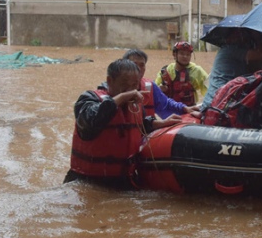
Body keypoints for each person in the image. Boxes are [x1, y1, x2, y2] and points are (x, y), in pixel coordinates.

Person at [65, 59, 182, 187]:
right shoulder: (89, 99)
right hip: (87, 181)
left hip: (124, 180)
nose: (131, 90)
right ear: (110, 81)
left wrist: (162, 123)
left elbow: (140, 126)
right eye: (125, 84)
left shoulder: (135, 106)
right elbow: (90, 120)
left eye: (135, 85)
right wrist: (122, 97)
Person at [122, 49, 200, 119]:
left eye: (142, 65)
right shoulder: (115, 87)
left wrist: (184, 108)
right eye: (134, 64)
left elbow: (166, 104)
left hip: (147, 131)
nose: (138, 68)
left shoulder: (150, 86)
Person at [201, 30, 262, 109]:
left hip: (219, 101)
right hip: (219, 103)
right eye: (236, 34)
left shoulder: (235, 51)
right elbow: (261, 55)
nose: (240, 36)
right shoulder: (230, 50)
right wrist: (258, 37)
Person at [156, 41, 209, 106]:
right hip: (169, 110)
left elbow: (209, 90)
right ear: (174, 55)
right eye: (182, 53)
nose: (185, 56)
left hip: (189, 109)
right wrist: (159, 89)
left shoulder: (197, 71)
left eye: (188, 54)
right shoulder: (165, 71)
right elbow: (154, 91)